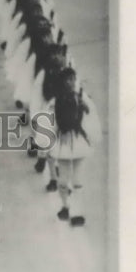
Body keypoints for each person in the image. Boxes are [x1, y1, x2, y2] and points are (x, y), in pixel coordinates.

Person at [49, 68, 102, 227]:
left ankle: (77, 212)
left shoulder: (79, 97)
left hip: (77, 140)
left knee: (77, 181)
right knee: (64, 180)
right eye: (69, 79)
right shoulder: (57, 100)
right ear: (63, 82)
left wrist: (84, 107)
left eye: (73, 79)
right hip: (65, 141)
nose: (72, 82)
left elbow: (88, 114)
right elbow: (58, 122)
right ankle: (65, 206)